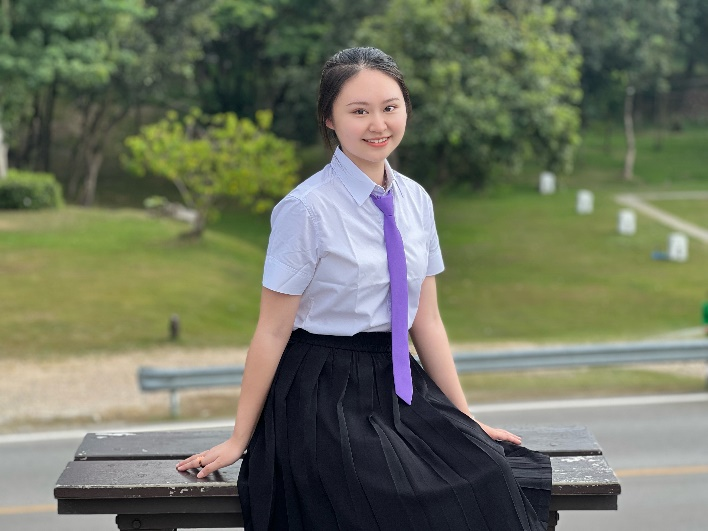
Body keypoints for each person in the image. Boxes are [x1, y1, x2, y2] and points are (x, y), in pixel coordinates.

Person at [177, 47, 551, 530]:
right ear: (329, 119)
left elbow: (426, 321)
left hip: (399, 381)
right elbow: (271, 331)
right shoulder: (306, 209)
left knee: (489, 472)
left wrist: (465, 420)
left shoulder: (416, 200)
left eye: (390, 107)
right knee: (386, 495)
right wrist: (238, 439)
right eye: (359, 111)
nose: (378, 125)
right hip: (321, 390)